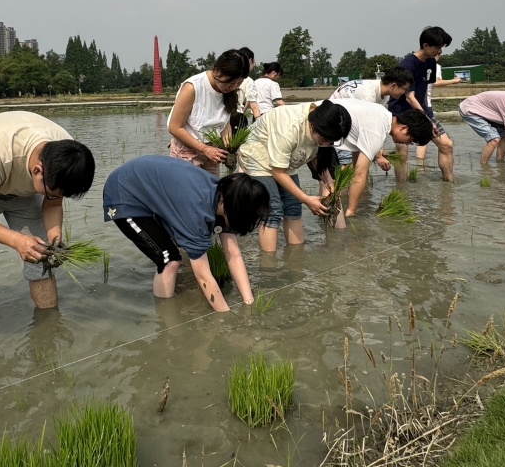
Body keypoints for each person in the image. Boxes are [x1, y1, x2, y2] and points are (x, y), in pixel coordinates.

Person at [0, 111, 95, 325]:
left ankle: (48, 333)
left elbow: (53, 202)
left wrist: (54, 238)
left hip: (25, 188)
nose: (56, 198)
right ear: (38, 170)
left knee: (41, 262)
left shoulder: (67, 155)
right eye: (52, 192)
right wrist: (17, 240)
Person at [103, 155, 270, 311]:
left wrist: (249, 303)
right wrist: (225, 317)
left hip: (149, 186)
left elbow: (234, 254)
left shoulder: (229, 196)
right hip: (123, 193)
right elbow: (203, 276)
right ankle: (166, 314)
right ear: (236, 210)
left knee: (176, 253)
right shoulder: (196, 210)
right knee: (169, 260)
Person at [237, 100, 352, 251]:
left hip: (285, 159)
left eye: (332, 141)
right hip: (257, 154)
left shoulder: (324, 124)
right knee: (273, 209)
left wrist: (329, 181)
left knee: (293, 206)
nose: (327, 143)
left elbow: (318, 156)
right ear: (312, 126)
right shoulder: (289, 128)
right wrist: (306, 199)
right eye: (326, 139)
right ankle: (269, 267)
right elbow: (278, 172)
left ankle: (295, 257)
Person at [324, 100, 434, 216]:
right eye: (411, 141)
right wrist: (351, 211)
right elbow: (359, 174)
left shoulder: (381, 113)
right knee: (329, 183)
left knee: (328, 182)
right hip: (320, 125)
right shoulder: (377, 133)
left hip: (320, 117)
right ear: (403, 128)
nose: (406, 144)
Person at [386, 27, 455, 181]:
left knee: (446, 145)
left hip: (421, 110)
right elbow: (410, 96)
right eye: (438, 48)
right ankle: (401, 190)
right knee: (402, 154)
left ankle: (449, 184)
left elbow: (423, 92)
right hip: (401, 112)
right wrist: (428, 120)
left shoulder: (430, 62)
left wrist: (428, 114)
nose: (440, 52)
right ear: (425, 46)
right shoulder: (408, 64)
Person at [166, 50, 251, 174]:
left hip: (211, 152)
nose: (233, 87)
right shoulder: (192, 87)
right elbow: (174, 127)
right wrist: (204, 148)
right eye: (230, 82)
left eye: (239, 83)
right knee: (190, 192)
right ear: (217, 70)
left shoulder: (228, 92)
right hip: (186, 153)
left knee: (212, 191)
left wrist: (229, 150)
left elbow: (224, 124)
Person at [330, 66, 413, 105]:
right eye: (405, 89)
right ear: (393, 86)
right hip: (331, 114)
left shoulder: (384, 94)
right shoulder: (368, 95)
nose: (405, 92)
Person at [233, 47, 261, 124]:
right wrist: (260, 123)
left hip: (223, 118)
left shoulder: (229, 76)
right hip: (237, 118)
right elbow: (254, 106)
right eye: (253, 62)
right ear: (250, 60)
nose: (254, 65)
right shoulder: (248, 81)